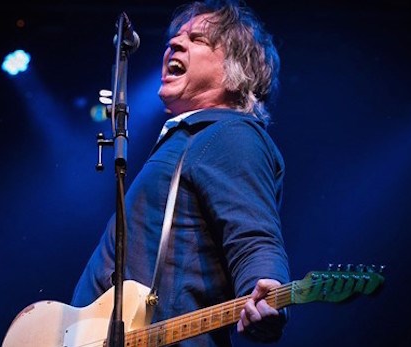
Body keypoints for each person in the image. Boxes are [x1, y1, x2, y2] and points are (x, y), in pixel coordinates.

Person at [72, 0, 290, 345]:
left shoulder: (230, 134)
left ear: (236, 69)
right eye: (176, 37)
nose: (174, 43)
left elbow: (253, 237)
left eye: (198, 39)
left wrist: (267, 289)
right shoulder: (190, 139)